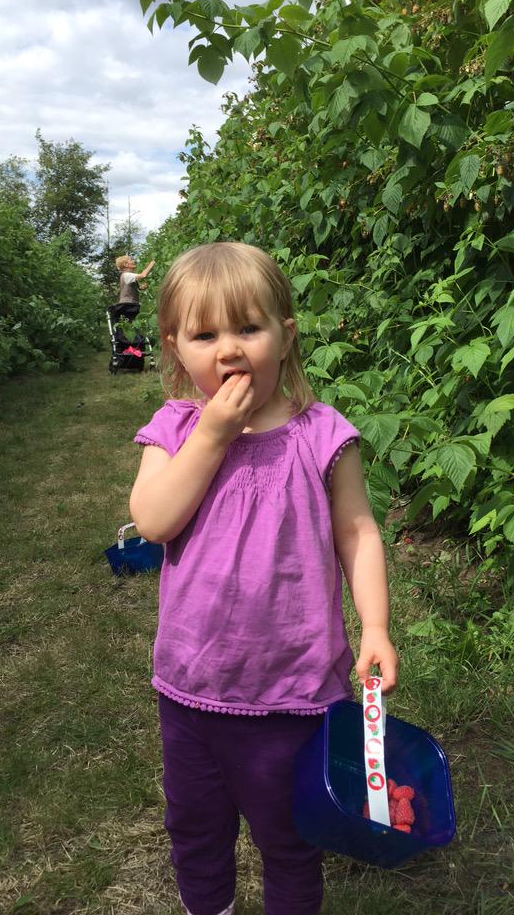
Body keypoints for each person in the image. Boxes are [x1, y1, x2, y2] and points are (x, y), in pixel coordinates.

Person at [129, 242, 398, 915]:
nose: (228, 349)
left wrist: (378, 626)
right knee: (195, 828)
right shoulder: (175, 429)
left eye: (248, 328)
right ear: (174, 346)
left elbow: (358, 532)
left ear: (286, 333)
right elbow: (155, 520)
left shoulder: (321, 435)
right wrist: (212, 435)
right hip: (191, 689)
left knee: (290, 838)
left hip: (293, 694)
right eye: (205, 334)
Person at [114, 254, 155, 320]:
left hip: (130, 305)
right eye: (131, 260)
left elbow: (134, 288)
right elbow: (143, 275)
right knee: (132, 325)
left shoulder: (129, 276)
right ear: (126, 264)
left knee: (133, 325)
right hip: (127, 306)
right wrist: (152, 263)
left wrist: (141, 288)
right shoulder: (126, 275)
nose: (133, 261)